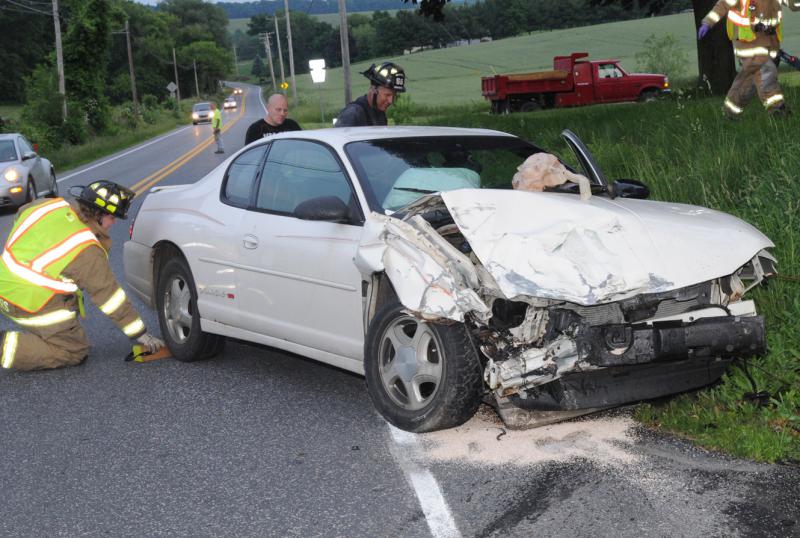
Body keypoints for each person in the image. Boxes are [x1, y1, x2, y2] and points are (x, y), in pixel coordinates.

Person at [0, 180, 165, 371]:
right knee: (74, 350)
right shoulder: (84, 247)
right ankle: (5, 348)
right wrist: (140, 334)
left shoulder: (48, 205)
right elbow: (109, 296)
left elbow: (21, 213)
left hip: (6, 282)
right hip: (27, 300)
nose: (113, 223)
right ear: (98, 214)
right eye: (112, 217)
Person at [698, 0, 800, 118]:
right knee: (766, 70)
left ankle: (731, 110)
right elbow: (723, 4)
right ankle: (777, 109)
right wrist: (707, 23)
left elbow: (793, 4)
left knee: (750, 80)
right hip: (747, 42)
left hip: (769, 41)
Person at [334, 62, 406, 127]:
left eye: (394, 96)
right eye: (387, 95)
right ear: (373, 89)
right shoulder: (352, 114)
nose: (390, 101)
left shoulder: (380, 114)